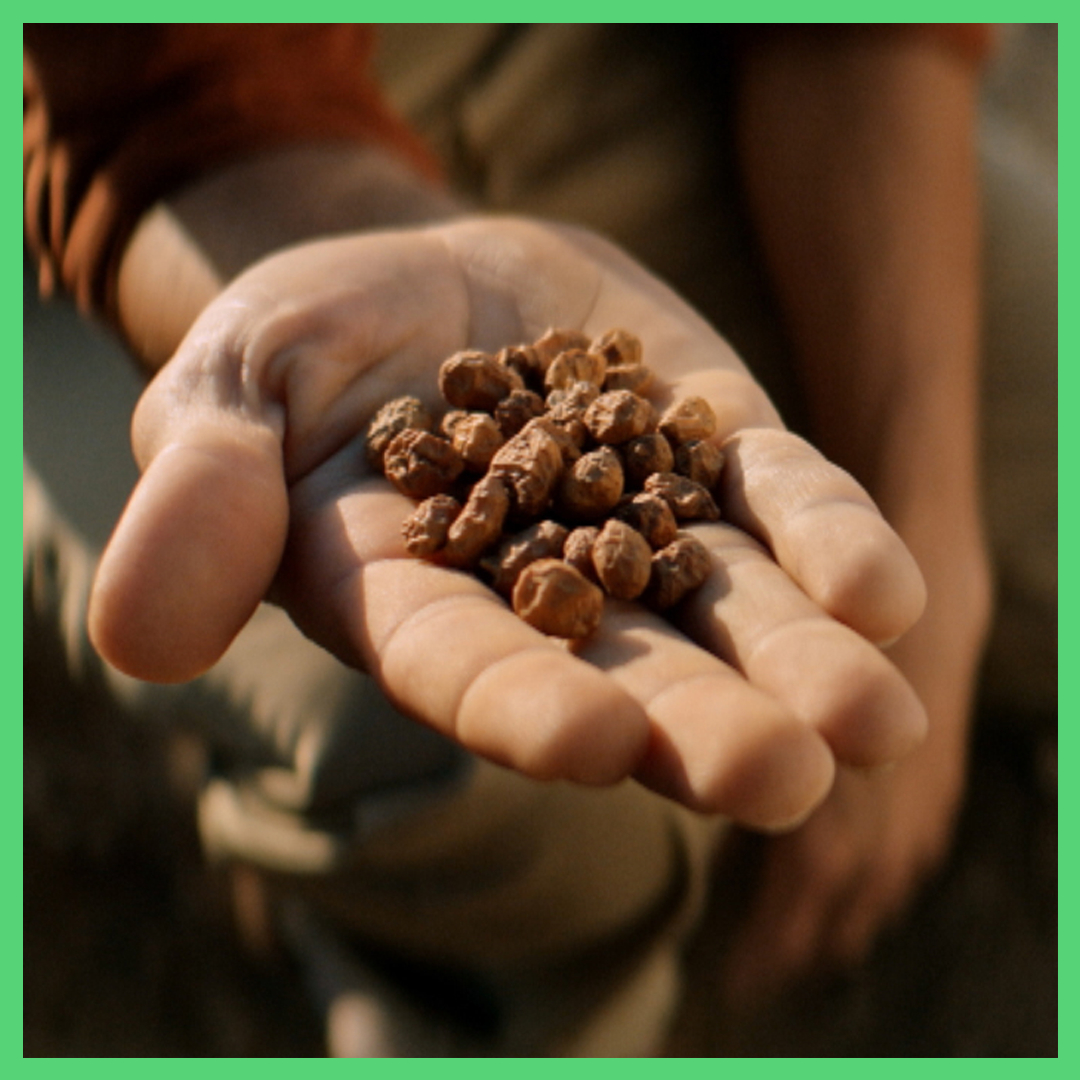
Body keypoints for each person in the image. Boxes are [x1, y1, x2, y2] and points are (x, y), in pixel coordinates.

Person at [24, 23, 1023, 1055]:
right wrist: (302, 204)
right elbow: (151, 85)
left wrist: (933, 523)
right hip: (157, 185)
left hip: (602, 53)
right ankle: (418, 966)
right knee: (530, 819)